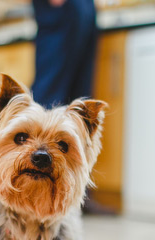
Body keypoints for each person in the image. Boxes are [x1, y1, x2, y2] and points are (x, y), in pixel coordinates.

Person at [31, 0, 115, 214]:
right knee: (50, 94)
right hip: (62, 8)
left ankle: (76, 194)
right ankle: (31, 192)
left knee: (81, 103)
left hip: (84, 7)